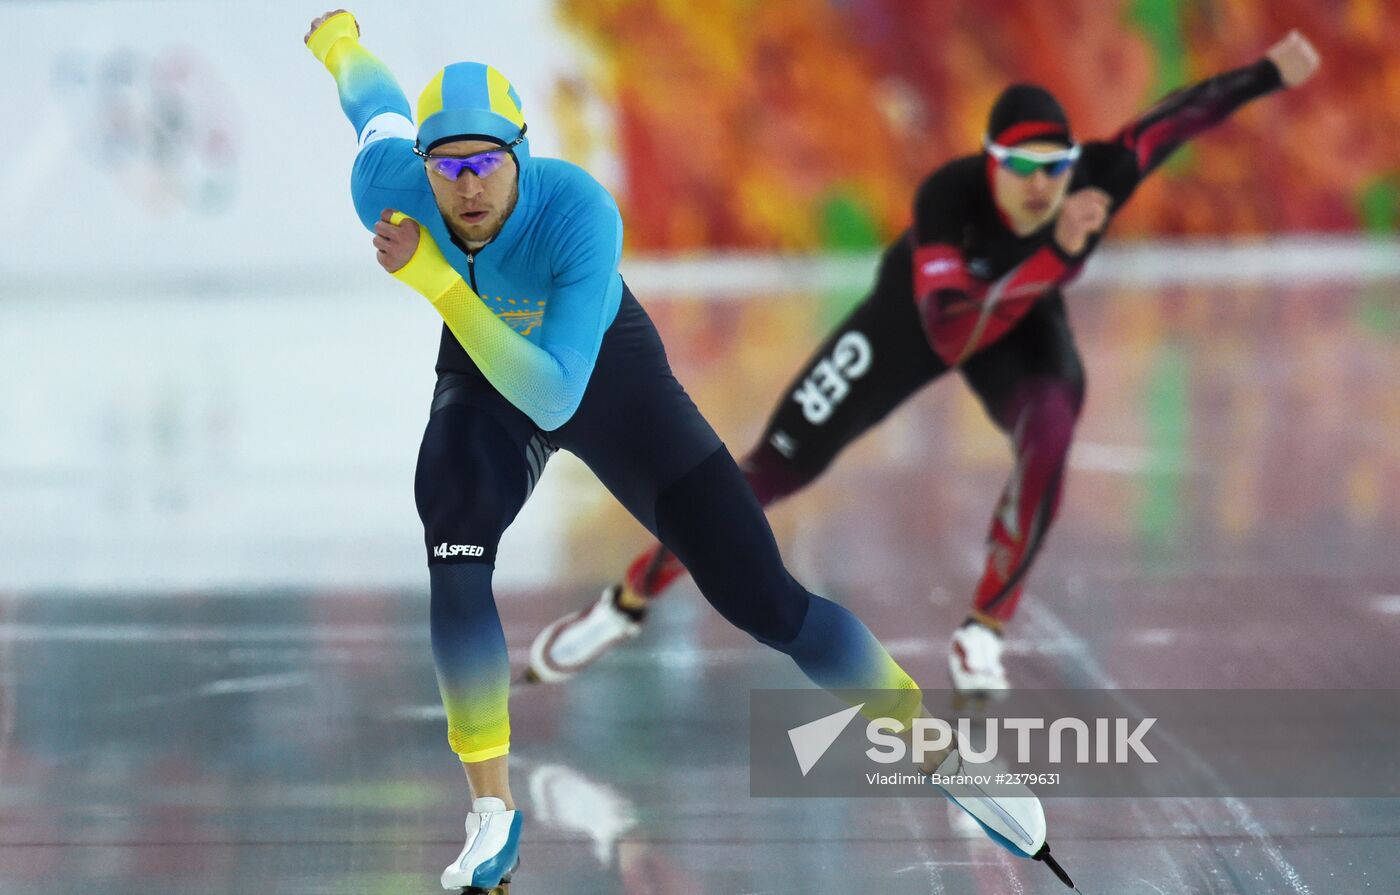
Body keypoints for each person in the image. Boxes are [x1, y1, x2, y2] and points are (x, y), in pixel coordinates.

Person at [304, 10, 1056, 893]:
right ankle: (491, 814)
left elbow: (555, 392)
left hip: (603, 378)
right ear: (424, 169)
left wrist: (433, 277)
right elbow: (376, 109)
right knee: (454, 530)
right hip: (483, 374)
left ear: (523, 154)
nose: (467, 188)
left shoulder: (577, 210)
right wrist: (339, 43)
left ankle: (935, 747)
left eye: (487, 164)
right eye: (447, 167)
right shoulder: (390, 185)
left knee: (765, 601)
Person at [528, 31, 1321, 697]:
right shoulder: (950, 196)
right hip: (913, 321)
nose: (1042, 187)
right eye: (1022, 169)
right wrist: (1056, 251)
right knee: (768, 471)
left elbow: (1172, 122)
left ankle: (984, 628)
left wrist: (1269, 73)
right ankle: (627, 599)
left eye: (1056, 169)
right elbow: (950, 329)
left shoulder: (1095, 181)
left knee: (1051, 423)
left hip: (1020, 325)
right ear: (991, 166)